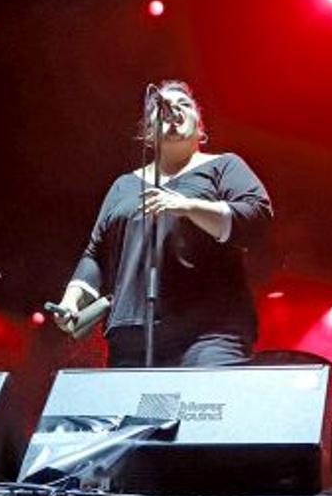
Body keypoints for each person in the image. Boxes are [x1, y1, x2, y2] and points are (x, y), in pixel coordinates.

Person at [49, 80, 272, 367]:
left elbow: (257, 216)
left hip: (208, 332)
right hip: (132, 335)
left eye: (183, 105)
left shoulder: (224, 166)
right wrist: (71, 300)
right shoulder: (124, 185)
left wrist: (189, 206)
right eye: (162, 108)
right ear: (147, 134)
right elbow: (96, 253)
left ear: (200, 128)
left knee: (204, 407)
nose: (173, 110)